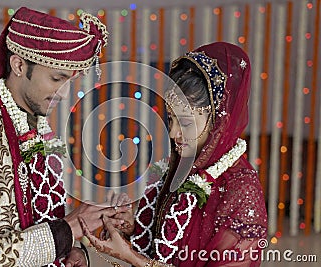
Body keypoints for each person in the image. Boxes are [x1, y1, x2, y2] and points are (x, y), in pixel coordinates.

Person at [0, 7, 130, 267]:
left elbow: (39, 216)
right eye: (57, 78)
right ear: (19, 65)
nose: (66, 94)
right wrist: (65, 231)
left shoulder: (39, 129)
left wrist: (72, 249)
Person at [80, 42, 268, 266]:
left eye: (186, 122)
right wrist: (134, 227)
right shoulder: (179, 167)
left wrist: (132, 258)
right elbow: (169, 247)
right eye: (171, 119)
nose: (173, 133)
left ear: (219, 121)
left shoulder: (241, 189)